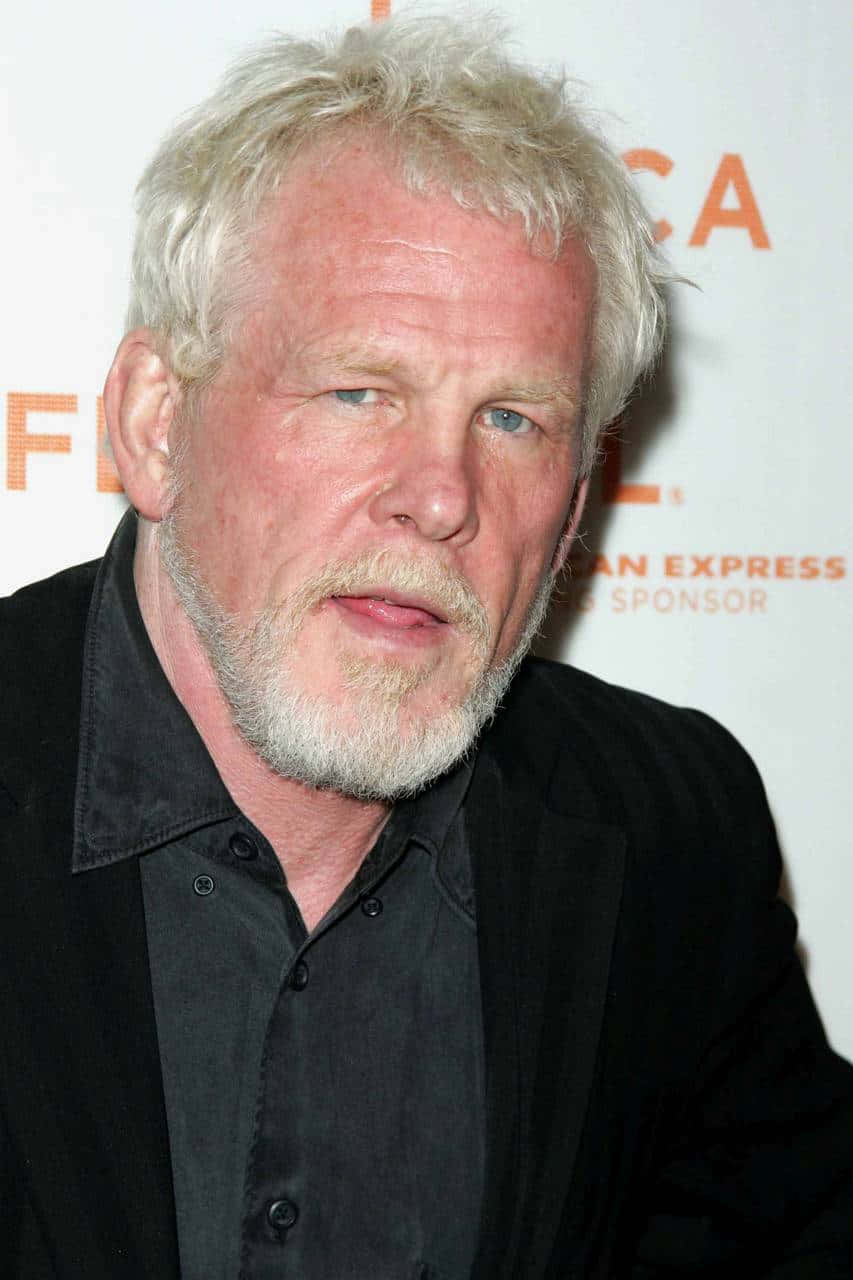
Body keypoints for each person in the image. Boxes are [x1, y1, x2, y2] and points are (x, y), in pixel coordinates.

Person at [1, 14, 851, 1279]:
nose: (442, 496)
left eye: (512, 419)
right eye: (361, 392)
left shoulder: (670, 832)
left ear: (574, 505)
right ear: (157, 421)